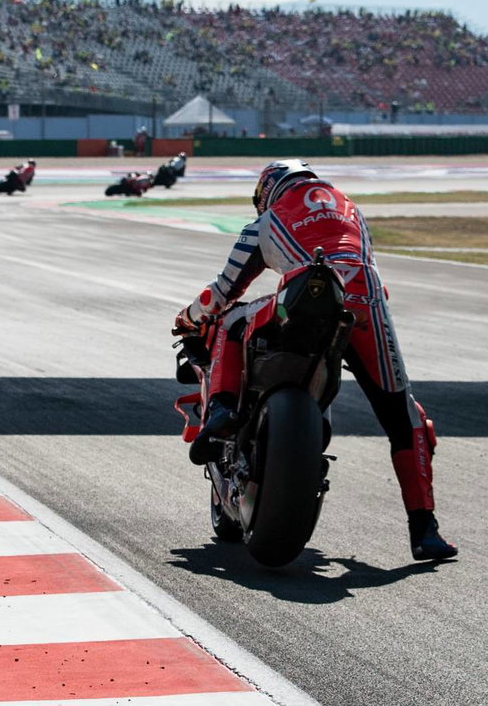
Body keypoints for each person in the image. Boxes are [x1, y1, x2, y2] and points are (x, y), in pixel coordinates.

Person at [173, 160, 456, 561]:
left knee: (232, 321)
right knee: (404, 416)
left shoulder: (265, 222)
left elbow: (221, 292)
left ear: (267, 191)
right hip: (364, 304)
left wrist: (188, 317)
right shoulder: (353, 210)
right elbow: (366, 263)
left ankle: (220, 408)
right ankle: (425, 530)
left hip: (298, 301)